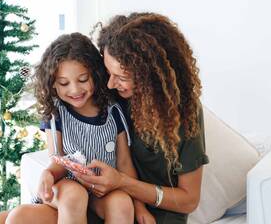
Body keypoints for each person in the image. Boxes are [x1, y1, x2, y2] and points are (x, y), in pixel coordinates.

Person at [0, 32, 146, 224]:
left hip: (101, 193)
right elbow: (58, 161)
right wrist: (49, 174)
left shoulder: (113, 112)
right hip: (65, 189)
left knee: (121, 203)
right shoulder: (57, 113)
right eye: (64, 83)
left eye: (83, 79)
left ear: (95, 74)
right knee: (72, 194)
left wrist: (140, 206)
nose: (75, 90)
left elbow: (124, 165)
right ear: (53, 84)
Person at [72, 12, 209, 224]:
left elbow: (189, 200)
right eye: (109, 72)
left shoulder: (184, 112)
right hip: (106, 204)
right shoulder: (113, 97)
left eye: (122, 77)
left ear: (149, 76)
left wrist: (122, 183)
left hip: (157, 218)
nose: (110, 84)